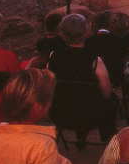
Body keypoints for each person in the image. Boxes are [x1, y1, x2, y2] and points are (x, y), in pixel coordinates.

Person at [43, 13, 117, 144]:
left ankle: (81, 135)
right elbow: (106, 92)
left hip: (60, 114)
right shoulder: (94, 60)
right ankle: (109, 140)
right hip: (91, 115)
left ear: (62, 34)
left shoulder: (53, 56)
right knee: (112, 100)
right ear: (86, 32)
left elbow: (48, 88)